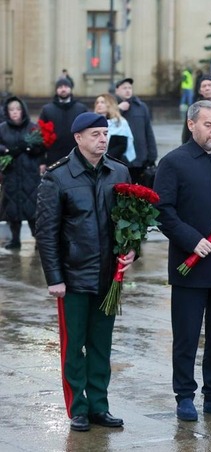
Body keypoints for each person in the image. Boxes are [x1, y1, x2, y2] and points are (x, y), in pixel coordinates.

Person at [36, 112, 133, 432]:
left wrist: (132, 249)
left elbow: (130, 221)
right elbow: (46, 233)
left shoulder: (119, 171)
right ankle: (78, 407)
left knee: (101, 346)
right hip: (74, 277)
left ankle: (99, 406)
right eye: (95, 134)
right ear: (78, 138)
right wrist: (55, 278)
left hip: (108, 277)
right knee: (73, 344)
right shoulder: (58, 177)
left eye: (105, 133)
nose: (102, 139)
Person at [153, 100, 211, 422]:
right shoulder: (173, 163)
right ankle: (184, 396)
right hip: (190, 265)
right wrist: (191, 240)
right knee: (187, 336)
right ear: (192, 125)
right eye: (208, 125)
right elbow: (163, 211)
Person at [0, 97, 46, 249]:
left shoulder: (32, 127)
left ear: (23, 111)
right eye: (11, 110)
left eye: (17, 109)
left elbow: (41, 148)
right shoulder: (2, 128)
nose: (14, 113)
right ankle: (15, 239)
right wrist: (6, 150)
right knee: (12, 208)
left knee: (32, 208)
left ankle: (37, 239)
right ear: (7, 112)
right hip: (11, 174)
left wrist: (30, 148)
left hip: (29, 173)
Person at [115, 78, 158, 185]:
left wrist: (152, 154)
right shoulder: (111, 107)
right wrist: (118, 109)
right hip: (120, 159)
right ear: (117, 90)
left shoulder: (141, 107)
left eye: (130, 88)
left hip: (140, 158)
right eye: (124, 88)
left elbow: (148, 131)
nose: (128, 90)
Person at [39, 78, 88, 165]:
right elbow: (41, 135)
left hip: (77, 155)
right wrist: (42, 161)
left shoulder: (81, 109)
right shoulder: (47, 110)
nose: (63, 89)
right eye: (60, 87)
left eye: (66, 86)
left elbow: (87, 132)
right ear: (56, 90)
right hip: (54, 156)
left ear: (70, 89)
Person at [94, 94, 135, 164]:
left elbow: (122, 146)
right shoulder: (93, 122)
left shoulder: (120, 122)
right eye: (97, 102)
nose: (99, 105)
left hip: (114, 162)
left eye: (102, 102)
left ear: (110, 104)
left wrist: (105, 158)